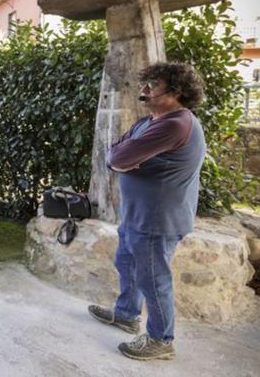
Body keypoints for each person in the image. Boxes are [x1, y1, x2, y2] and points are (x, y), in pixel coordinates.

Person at [88, 62, 206, 361]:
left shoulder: (175, 123)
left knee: (153, 279)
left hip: (158, 218)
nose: (143, 89)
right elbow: (114, 154)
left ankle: (161, 339)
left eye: (152, 85)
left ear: (176, 91)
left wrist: (126, 158)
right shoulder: (149, 121)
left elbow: (122, 155)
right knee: (126, 263)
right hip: (137, 214)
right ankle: (127, 314)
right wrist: (123, 158)